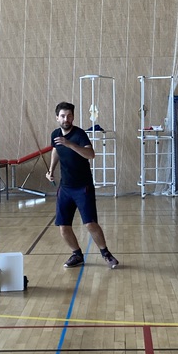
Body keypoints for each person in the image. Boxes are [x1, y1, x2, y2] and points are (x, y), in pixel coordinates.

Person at [45, 101, 119, 270]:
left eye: (69, 116)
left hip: (82, 187)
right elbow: (56, 150)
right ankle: (77, 254)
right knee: (63, 227)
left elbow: (90, 154)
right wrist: (51, 170)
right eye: (63, 116)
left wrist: (70, 144)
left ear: (73, 117)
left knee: (90, 223)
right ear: (57, 118)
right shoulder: (55, 134)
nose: (66, 119)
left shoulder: (79, 135)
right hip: (65, 188)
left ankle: (106, 253)